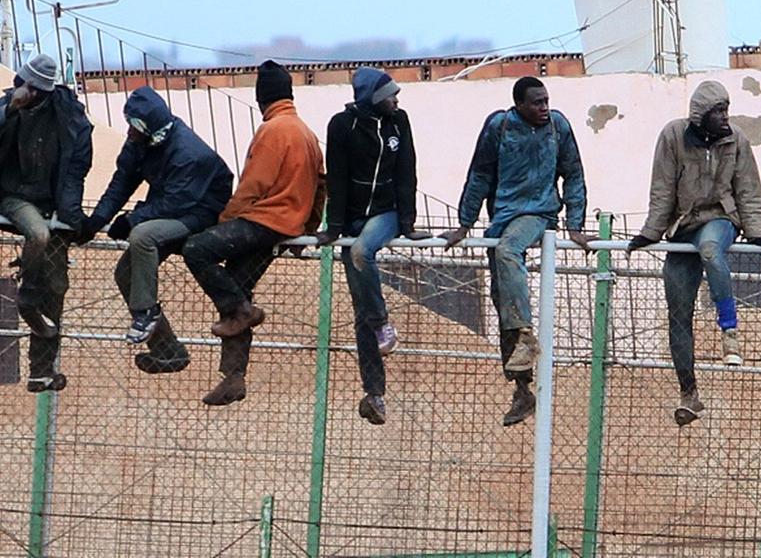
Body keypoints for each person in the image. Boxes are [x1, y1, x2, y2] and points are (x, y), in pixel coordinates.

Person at [442, 76, 588, 426]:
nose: (544, 108)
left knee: (508, 250)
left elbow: (574, 174)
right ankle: (522, 388)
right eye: (537, 103)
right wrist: (464, 224)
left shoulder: (558, 127)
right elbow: (479, 175)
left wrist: (575, 224)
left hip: (538, 213)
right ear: (519, 104)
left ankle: (526, 335)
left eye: (546, 101)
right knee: (502, 297)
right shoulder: (500, 126)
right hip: (503, 217)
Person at [183, 60, 325, 406]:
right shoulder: (307, 133)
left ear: (262, 99)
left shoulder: (273, 131)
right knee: (237, 286)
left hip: (263, 222)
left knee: (197, 249)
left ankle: (241, 312)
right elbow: (321, 186)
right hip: (288, 227)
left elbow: (253, 185)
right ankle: (233, 376)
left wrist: (225, 219)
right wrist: (308, 228)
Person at [627, 80, 761, 427]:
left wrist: (756, 233)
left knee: (710, 250)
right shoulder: (673, 136)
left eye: (727, 108)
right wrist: (650, 232)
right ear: (701, 114)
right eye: (718, 110)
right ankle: (688, 394)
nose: (725, 116)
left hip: (719, 218)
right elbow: (662, 188)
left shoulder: (736, 140)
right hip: (682, 226)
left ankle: (729, 332)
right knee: (678, 311)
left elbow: (748, 189)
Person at [79, 86, 233, 374]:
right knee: (125, 273)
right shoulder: (140, 141)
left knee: (143, 236)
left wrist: (133, 220)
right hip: (170, 204)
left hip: (200, 212)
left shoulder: (187, 153)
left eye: (135, 126)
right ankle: (168, 352)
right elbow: (122, 181)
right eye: (129, 124)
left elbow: (178, 201)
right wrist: (97, 219)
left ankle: (145, 312)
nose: (129, 132)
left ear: (150, 128)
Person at [316, 67, 430, 426]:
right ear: (372, 98)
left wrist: (408, 224)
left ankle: (383, 324)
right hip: (352, 218)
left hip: (386, 213)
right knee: (361, 309)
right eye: (390, 94)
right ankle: (374, 393)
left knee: (362, 252)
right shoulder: (342, 125)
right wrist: (334, 227)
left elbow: (408, 171)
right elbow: (336, 176)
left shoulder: (399, 122)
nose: (396, 99)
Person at [0, 53, 93, 392]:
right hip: (13, 197)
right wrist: (10, 109)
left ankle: (41, 371)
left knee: (55, 287)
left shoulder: (68, 116)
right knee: (38, 235)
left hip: (52, 205)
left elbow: (76, 167)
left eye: (33, 88)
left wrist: (70, 214)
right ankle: (27, 296)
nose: (27, 92)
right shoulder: (8, 108)